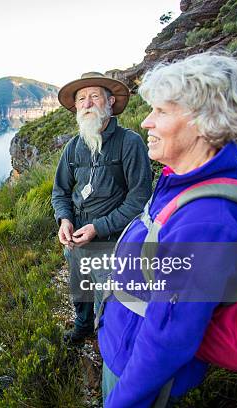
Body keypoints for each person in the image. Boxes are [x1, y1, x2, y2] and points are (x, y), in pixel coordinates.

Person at [97, 52, 237, 407]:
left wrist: (121, 401)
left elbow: (167, 340)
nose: (146, 123)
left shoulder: (205, 224)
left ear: (203, 122)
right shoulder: (180, 182)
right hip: (126, 349)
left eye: (161, 112)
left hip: (141, 379)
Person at [51, 72, 153, 344]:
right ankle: (83, 327)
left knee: (108, 302)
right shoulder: (73, 148)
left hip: (114, 243)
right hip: (76, 240)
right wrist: (64, 220)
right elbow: (60, 191)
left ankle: (106, 346)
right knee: (79, 289)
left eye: (94, 96)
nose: (87, 104)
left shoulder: (129, 144)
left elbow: (140, 199)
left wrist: (99, 227)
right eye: (81, 99)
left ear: (109, 102)